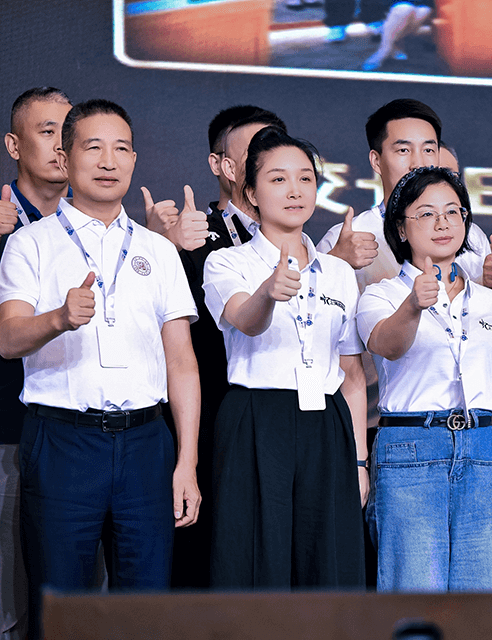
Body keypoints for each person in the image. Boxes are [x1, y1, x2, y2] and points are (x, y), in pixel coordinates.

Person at [0, 99, 201, 640]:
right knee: (60, 610)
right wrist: (59, 318)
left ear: (134, 159)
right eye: (93, 147)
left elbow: (182, 363)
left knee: (146, 612)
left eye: (121, 149)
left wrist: (186, 462)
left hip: (146, 445)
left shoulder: (158, 251)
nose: (109, 161)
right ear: (65, 158)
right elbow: (7, 339)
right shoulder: (29, 243)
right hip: (63, 443)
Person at [202, 126, 366, 589]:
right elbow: (244, 319)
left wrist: (358, 461)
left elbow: (352, 374)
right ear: (251, 193)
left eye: (305, 178)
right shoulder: (227, 262)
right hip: (257, 416)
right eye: (278, 179)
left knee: (328, 563)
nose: (295, 190)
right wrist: (268, 293)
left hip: (326, 420)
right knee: (256, 561)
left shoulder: (339, 272)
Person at [357, 166, 492, 591]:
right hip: (411, 448)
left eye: (453, 211)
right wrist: (413, 306)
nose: (443, 222)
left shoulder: (490, 302)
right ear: (401, 227)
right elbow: (387, 344)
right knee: (414, 597)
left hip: (482, 451)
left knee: (478, 600)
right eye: (427, 214)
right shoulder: (382, 294)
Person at [167, 106, 287, 589]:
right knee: (215, 560)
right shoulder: (191, 235)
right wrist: (168, 246)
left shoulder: (307, 246)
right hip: (214, 418)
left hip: (284, 424)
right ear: (221, 165)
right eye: (254, 154)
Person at [0, 85, 72, 640]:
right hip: (7, 434)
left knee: (74, 606)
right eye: (47, 132)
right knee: (8, 603)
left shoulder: (110, 233)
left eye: (69, 133)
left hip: (79, 439)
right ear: (14, 145)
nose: (61, 145)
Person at [319, 99, 492, 291]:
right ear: (376, 161)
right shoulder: (343, 239)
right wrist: (336, 261)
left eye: (428, 150)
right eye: (403, 150)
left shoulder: (469, 235)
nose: (418, 164)